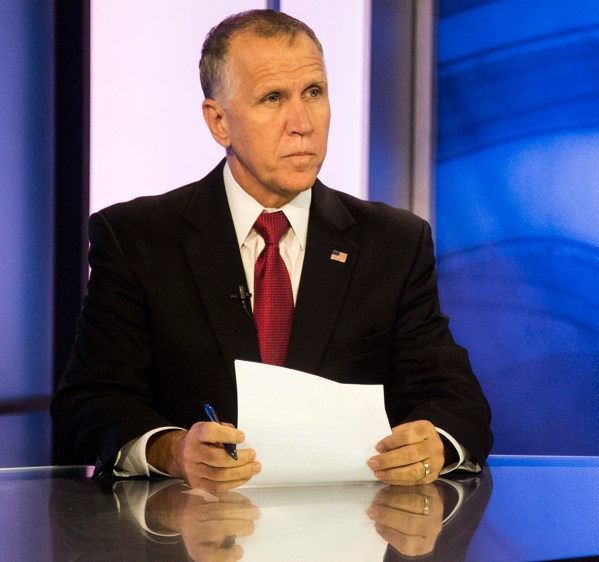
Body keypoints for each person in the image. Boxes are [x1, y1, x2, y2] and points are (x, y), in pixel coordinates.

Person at [51, 9, 492, 492]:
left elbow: (454, 400)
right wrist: (173, 451)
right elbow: (89, 403)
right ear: (219, 122)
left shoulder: (393, 242)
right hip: (189, 537)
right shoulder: (136, 239)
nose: (301, 123)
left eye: (314, 93)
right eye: (272, 98)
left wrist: (436, 445)